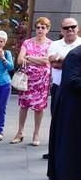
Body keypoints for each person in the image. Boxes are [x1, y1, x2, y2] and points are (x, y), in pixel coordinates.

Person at [42, 18, 81, 159]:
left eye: (73, 27)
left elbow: (60, 63)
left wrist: (62, 60)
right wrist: (69, 61)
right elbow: (53, 64)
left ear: (78, 28)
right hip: (58, 87)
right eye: (66, 28)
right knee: (56, 119)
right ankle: (54, 150)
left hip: (76, 91)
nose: (70, 30)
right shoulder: (55, 44)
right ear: (61, 30)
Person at [11, 17, 52, 146]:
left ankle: (36, 134)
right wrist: (37, 60)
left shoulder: (51, 44)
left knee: (39, 107)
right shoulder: (27, 42)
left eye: (43, 27)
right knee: (24, 106)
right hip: (27, 79)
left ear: (48, 29)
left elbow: (47, 61)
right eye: (38, 27)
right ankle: (20, 132)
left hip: (42, 80)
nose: (40, 30)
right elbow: (19, 60)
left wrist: (29, 57)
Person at [47, 42, 81, 180]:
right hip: (70, 106)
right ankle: (65, 176)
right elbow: (72, 80)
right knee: (68, 141)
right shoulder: (75, 55)